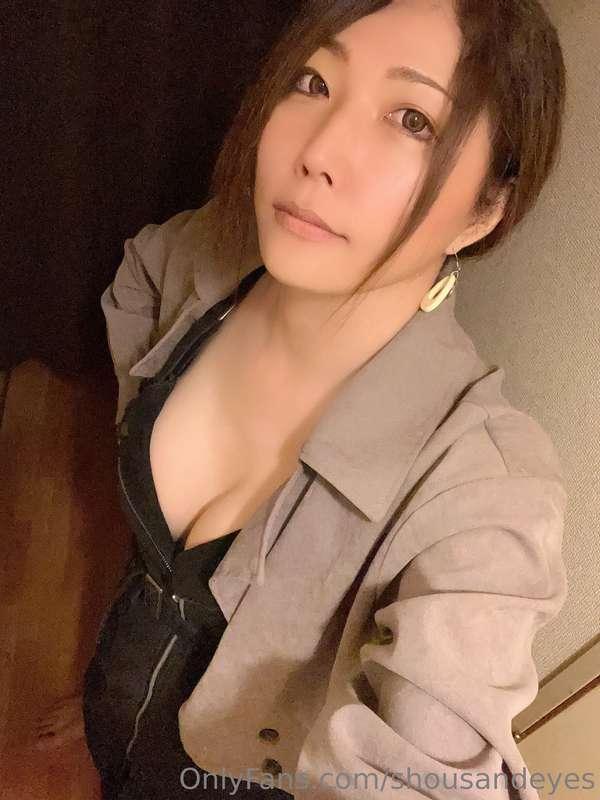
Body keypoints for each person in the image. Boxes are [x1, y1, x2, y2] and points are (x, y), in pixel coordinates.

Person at [35, 0, 569, 798]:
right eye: (314, 82)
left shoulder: (482, 495)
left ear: (485, 210)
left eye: (413, 120)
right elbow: (140, 274)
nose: (317, 153)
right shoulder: (208, 257)